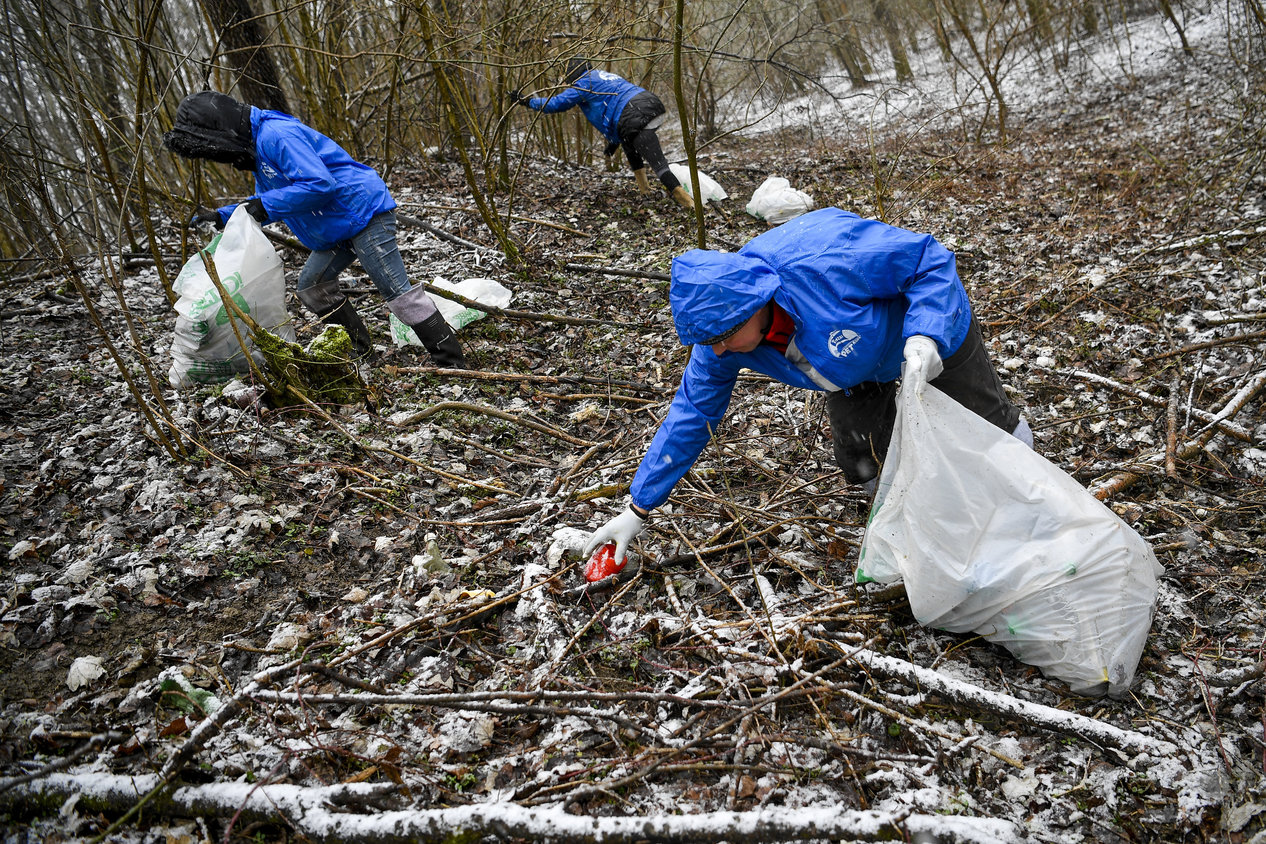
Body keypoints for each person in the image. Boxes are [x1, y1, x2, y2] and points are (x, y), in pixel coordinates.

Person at [583, 207, 1034, 563]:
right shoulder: (721, 339)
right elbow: (691, 414)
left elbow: (927, 260)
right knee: (861, 458)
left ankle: (1028, 507)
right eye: (709, 342)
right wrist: (638, 508)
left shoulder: (826, 262)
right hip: (852, 372)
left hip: (927, 331)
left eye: (721, 339)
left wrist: (926, 334)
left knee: (988, 427)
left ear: (754, 306)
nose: (717, 352)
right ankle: (914, 531)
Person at [162, 90, 467, 368]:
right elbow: (268, 199)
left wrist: (262, 207)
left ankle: (451, 362)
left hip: (363, 212)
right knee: (312, 287)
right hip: (336, 224)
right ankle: (362, 354)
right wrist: (223, 216)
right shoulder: (258, 146)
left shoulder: (277, 135)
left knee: (397, 292)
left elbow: (319, 184)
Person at [508, 59, 695, 211]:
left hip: (632, 114)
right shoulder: (603, 76)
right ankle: (645, 189)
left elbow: (556, 104)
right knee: (630, 142)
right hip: (651, 103)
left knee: (659, 164)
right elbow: (614, 103)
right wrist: (614, 141)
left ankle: (688, 202)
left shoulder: (582, 84)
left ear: (573, 74)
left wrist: (526, 101)